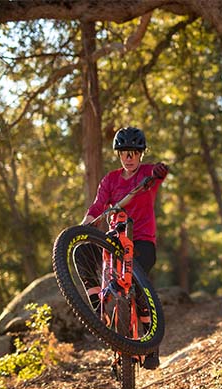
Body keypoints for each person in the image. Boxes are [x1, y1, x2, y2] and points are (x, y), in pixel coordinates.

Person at [81, 126, 168, 370]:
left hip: (142, 242)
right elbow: (98, 207)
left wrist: (161, 170)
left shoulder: (147, 174)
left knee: (140, 290)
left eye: (133, 152)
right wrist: (82, 228)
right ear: (118, 154)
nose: (128, 158)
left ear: (141, 154)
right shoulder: (110, 179)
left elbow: (160, 171)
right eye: (124, 153)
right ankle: (98, 304)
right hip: (114, 241)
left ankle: (150, 347)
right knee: (82, 251)